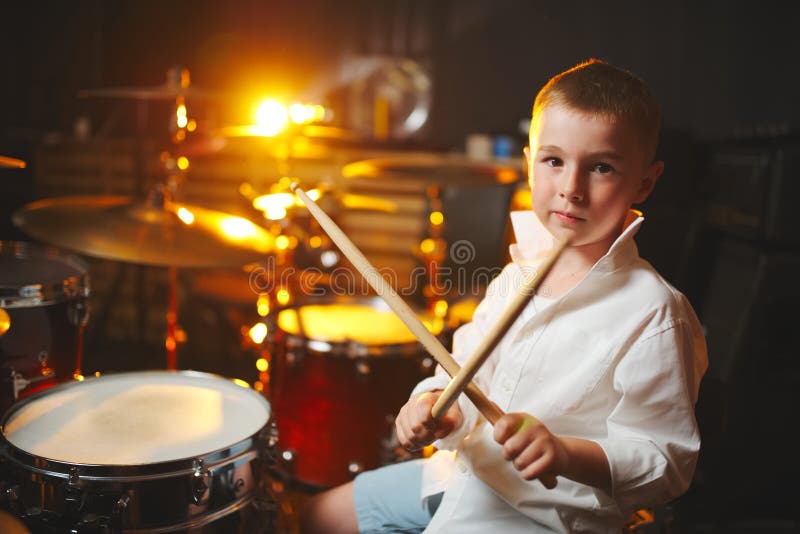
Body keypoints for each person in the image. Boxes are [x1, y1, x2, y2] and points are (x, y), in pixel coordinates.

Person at [299, 58, 708, 533]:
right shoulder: (518, 272)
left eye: (601, 168)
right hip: (461, 476)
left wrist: (563, 452)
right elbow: (465, 371)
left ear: (644, 182)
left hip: (543, 515)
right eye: (554, 161)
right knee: (318, 517)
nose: (571, 190)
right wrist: (438, 406)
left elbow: (668, 461)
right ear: (529, 161)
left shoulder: (656, 314)